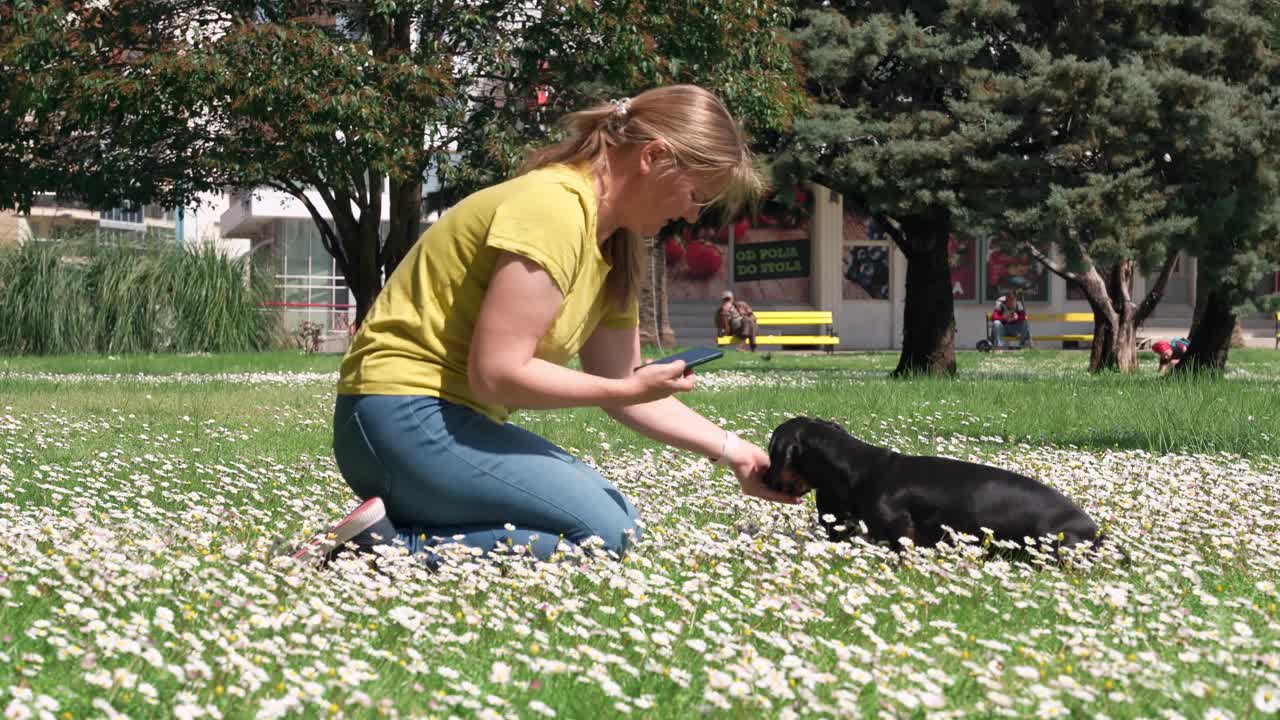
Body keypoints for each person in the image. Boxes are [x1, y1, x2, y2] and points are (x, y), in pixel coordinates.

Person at [292, 85, 800, 567]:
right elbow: (496, 373)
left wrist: (732, 453)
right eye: (695, 195)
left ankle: (381, 539)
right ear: (653, 158)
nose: (691, 215)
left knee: (612, 526)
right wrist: (622, 387)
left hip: (442, 423)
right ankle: (383, 554)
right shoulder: (555, 207)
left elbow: (625, 385)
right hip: (396, 417)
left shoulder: (615, 242)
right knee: (608, 531)